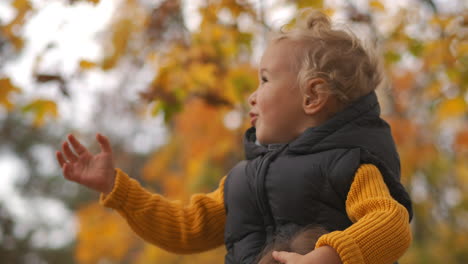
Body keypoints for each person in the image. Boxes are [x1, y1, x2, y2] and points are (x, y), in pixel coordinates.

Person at [56, 9, 413, 264]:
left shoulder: (350, 167)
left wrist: (332, 256)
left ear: (312, 97)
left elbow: (391, 223)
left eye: (265, 79)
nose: (252, 96)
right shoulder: (242, 180)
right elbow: (186, 228)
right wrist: (117, 189)